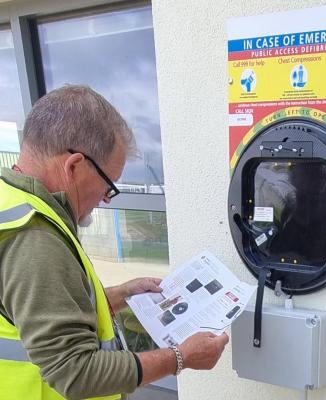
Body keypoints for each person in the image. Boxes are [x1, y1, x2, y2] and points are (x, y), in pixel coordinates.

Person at [0, 85, 229, 399]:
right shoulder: (35, 237)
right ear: (74, 166)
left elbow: (36, 310)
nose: (106, 200)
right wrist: (180, 357)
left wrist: (121, 295)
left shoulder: (10, 202)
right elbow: (75, 372)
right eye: (108, 185)